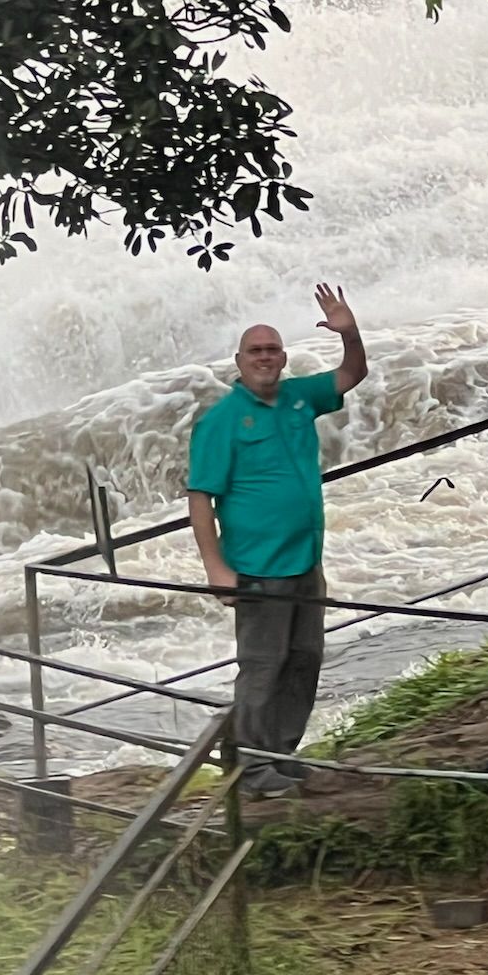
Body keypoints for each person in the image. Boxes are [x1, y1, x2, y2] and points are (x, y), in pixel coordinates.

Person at [186, 286, 368, 798]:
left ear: (284, 358)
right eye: (255, 351)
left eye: (272, 350)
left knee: (304, 659)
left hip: (304, 561)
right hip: (258, 568)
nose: (265, 358)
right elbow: (200, 498)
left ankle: (279, 755)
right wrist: (216, 569)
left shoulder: (297, 397)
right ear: (239, 362)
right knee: (262, 668)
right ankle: (250, 771)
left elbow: (353, 374)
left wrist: (349, 333)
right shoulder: (220, 421)